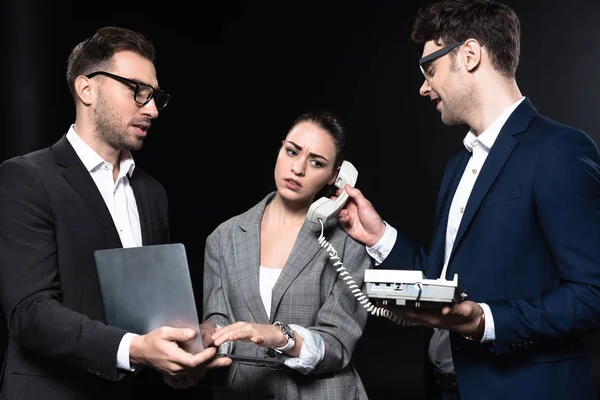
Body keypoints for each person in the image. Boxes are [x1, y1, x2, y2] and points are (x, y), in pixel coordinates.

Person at [335, 1, 600, 399]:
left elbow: (591, 293)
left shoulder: (559, 151)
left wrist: (485, 321)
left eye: (430, 68)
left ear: (471, 55)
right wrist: (379, 237)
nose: (424, 86)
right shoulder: (459, 165)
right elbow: (445, 285)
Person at [0, 26, 230, 400]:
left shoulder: (152, 194)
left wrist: (179, 355)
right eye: (136, 90)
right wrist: (135, 350)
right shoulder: (26, 178)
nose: (152, 109)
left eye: (155, 96)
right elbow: (30, 314)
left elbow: (152, 314)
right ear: (86, 89)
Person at [201, 110, 373, 399]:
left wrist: (282, 337)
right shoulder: (224, 237)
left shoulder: (347, 243)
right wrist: (209, 335)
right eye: (292, 152)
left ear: (335, 176)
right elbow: (221, 322)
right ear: (281, 148)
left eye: (316, 162)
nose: (298, 169)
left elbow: (338, 344)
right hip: (246, 391)